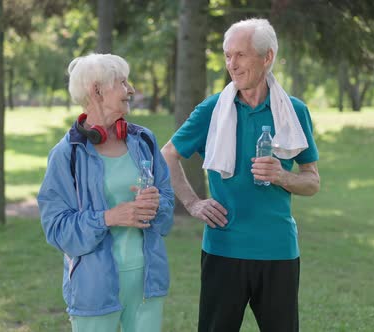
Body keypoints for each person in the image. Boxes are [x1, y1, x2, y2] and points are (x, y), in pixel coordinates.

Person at [161, 18, 320, 332]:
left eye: (241, 55)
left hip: (278, 250)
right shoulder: (212, 110)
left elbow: (312, 181)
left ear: (267, 57)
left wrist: (282, 176)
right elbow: (167, 155)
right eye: (227, 55)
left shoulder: (294, 111)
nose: (231, 64)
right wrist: (193, 203)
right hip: (223, 248)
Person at [37, 53, 174, 332]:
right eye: (122, 83)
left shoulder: (144, 141)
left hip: (148, 283)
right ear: (96, 90)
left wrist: (157, 203)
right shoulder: (67, 155)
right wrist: (109, 217)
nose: (131, 90)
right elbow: (56, 229)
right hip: (94, 289)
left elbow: (168, 207)